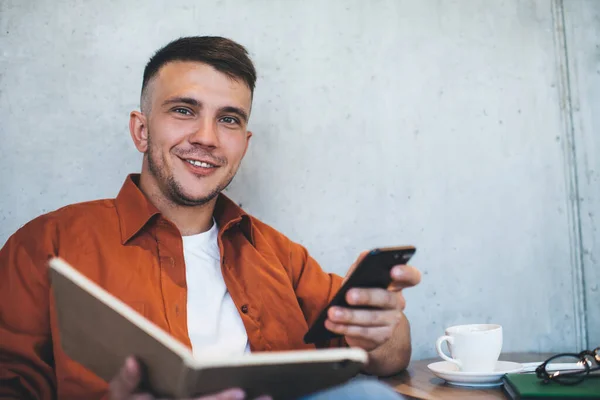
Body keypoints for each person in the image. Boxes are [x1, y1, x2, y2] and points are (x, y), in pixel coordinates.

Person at [0, 36, 421, 400]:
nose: (207, 137)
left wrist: (382, 330)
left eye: (228, 119)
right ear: (141, 130)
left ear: (244, 143)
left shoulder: (277, 254)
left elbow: (389, 356)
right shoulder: (48, 243)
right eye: (184, 110)